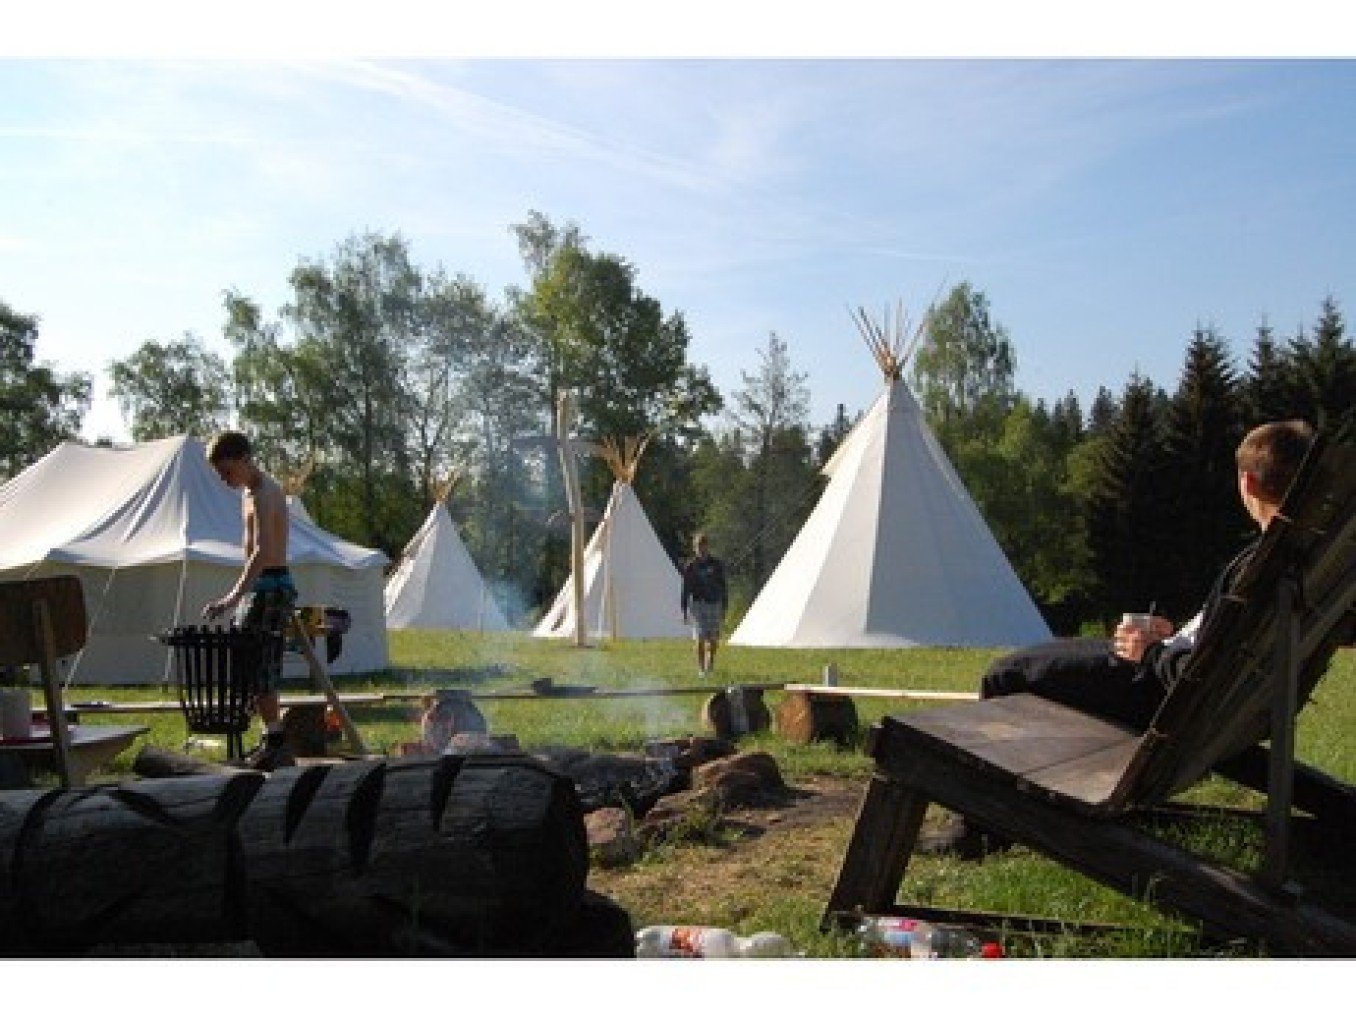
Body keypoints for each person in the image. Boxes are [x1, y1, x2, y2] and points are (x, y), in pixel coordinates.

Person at [929, 419, 1316, 855]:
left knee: (1008, 673)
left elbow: (1199, 676)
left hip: (1167, 697)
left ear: (1247, 482)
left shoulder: (1261, 566)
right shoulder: (1300, 557)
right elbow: (1218, 650)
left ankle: (983, 826)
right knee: (1057, 653)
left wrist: (1152, 653)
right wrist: (1172, 638)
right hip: (1222, 702)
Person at [202, 430, 298, 771]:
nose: (224, 479)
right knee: (249, 668)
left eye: (227, 471)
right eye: (220, 473)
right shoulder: (248, 493)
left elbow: (261, 551)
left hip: (271, 587)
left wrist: (232, 596)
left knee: (262, 669)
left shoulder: (264, 493)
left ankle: (277, 743)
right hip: (260, 588)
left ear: (244, 459)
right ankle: (269, 739)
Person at [681, 533, 728, 678]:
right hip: (698, 604)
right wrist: (683, 609)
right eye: (698, 546)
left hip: (714, 603)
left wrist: (725, 605)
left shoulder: (716, 564)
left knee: (713, 639)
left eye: (704, 546)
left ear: (707, 547)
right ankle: (701, 669)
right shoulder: (691, 566)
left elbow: (723, 586)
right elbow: (685, 589)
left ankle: (710, 664)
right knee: (700, 637)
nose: (701, 549)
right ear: (695, 548)